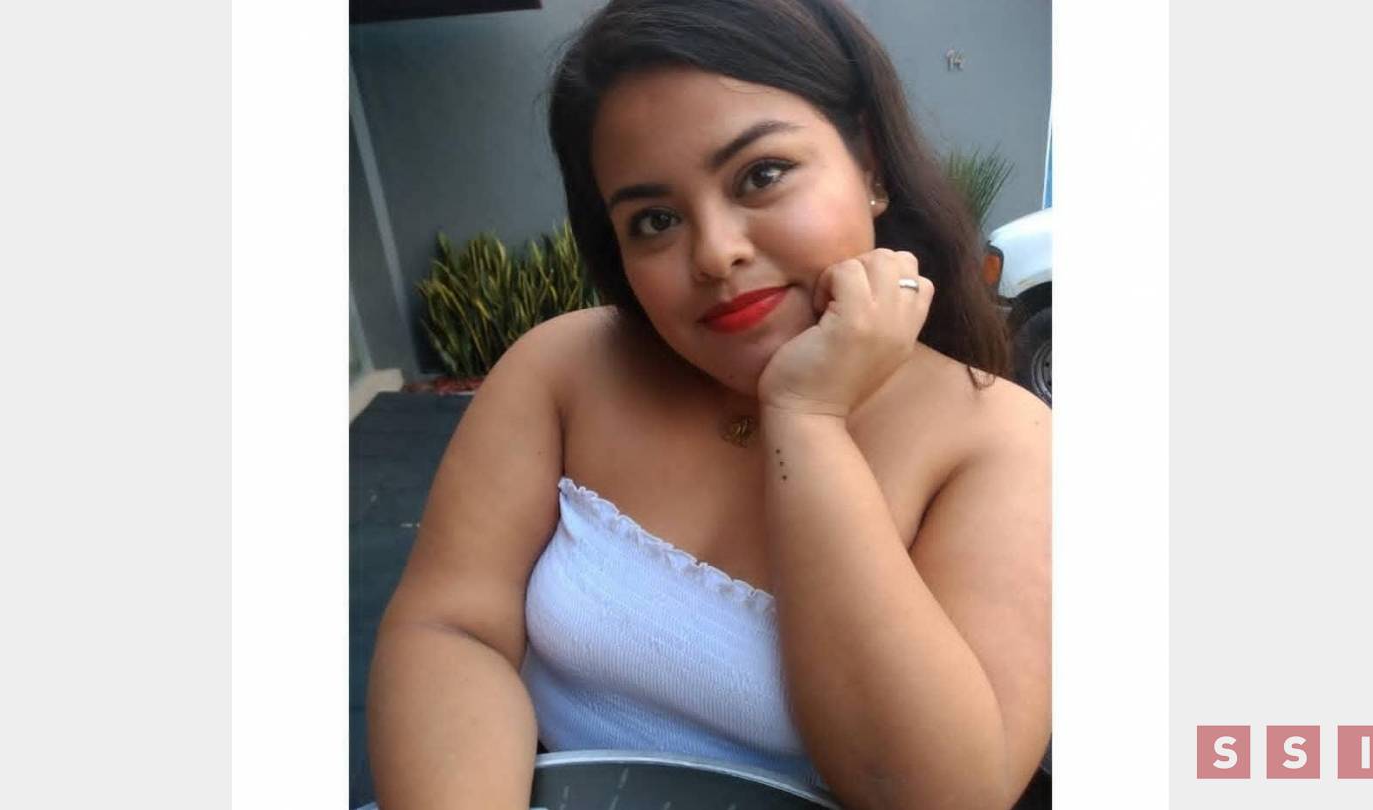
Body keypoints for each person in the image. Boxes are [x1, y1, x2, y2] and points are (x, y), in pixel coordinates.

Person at [366, 1, 1051, 808]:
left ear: (868, 162)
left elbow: (932, 793)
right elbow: (454, 628)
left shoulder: (1003, 442)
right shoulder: (563, 369)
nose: (716, 252)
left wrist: (808, 420)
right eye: (655, 220)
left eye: (762, 175)